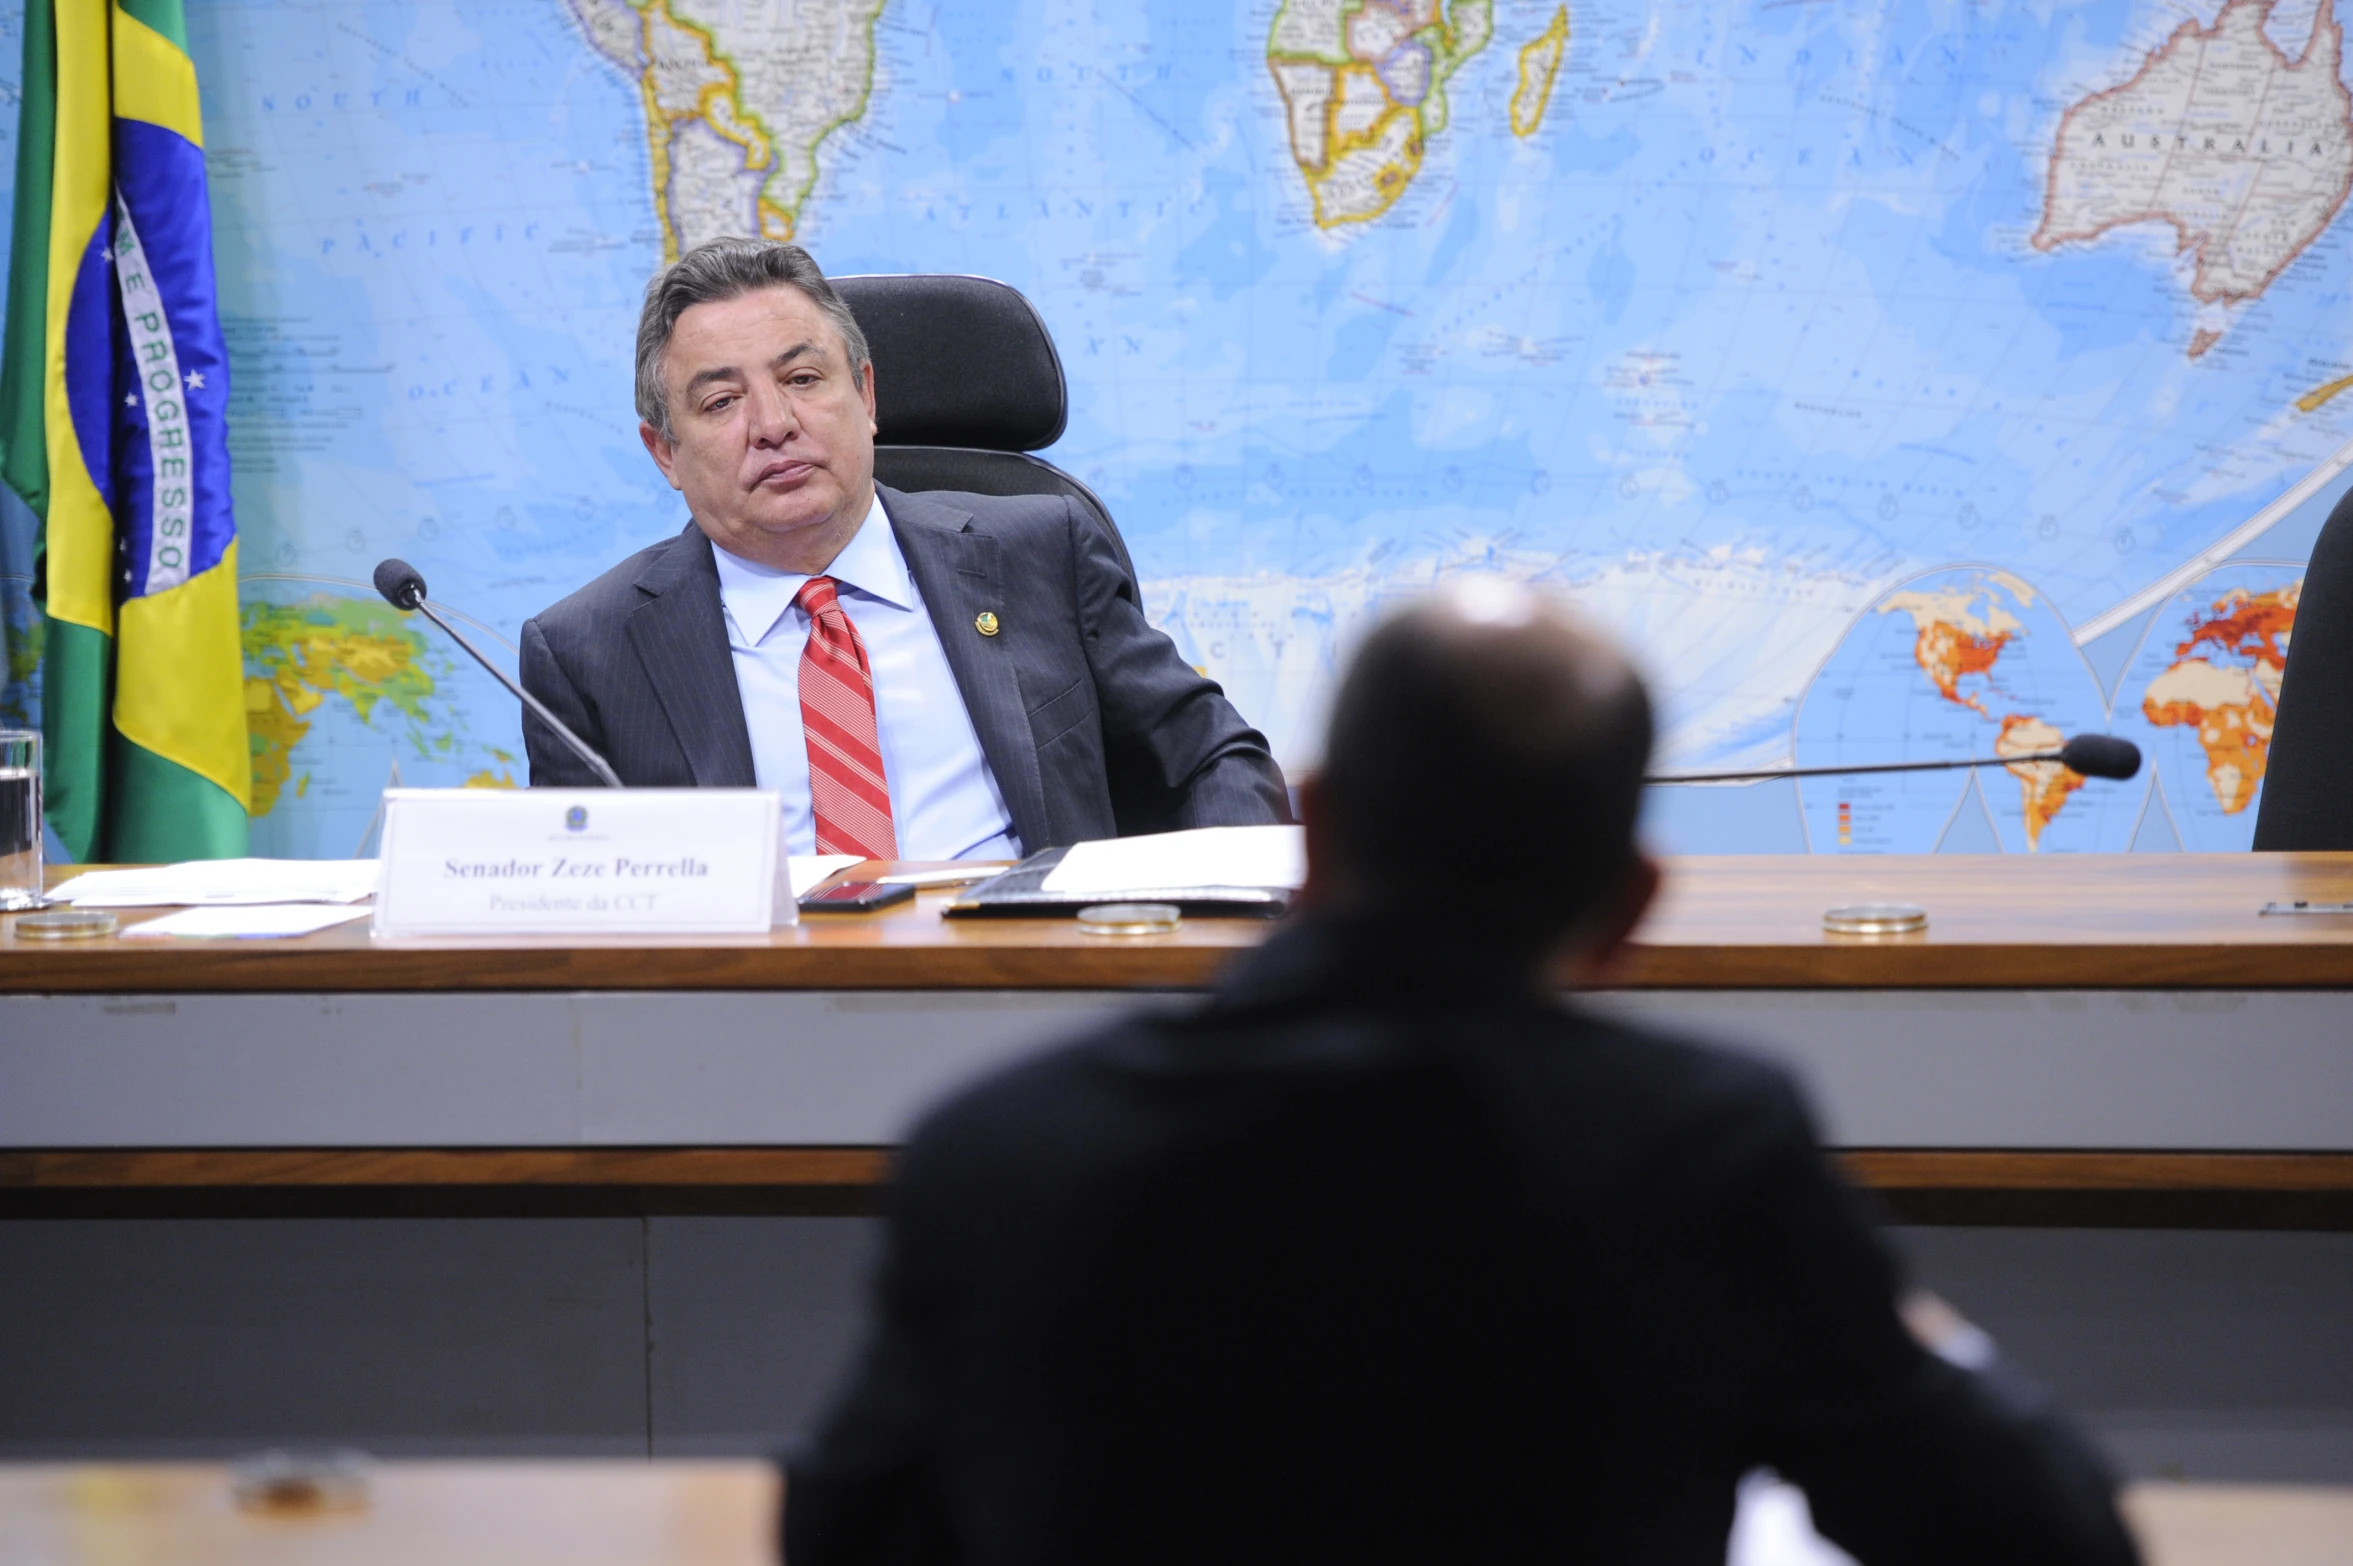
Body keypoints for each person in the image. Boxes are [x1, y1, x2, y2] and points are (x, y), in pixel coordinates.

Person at [784, 581, 2140, 1566]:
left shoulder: (999, 1145)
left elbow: (844, 1530)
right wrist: (1895, 1317)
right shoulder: (1705, 1150)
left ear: (1308, 831)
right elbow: (2044, 1535)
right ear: (1627, 905)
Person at [519, 240, 1286, 859]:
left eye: (803, 377)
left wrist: (1214, 935)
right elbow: (576, 904)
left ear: (867, 396)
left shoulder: (1041, 552)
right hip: (755, 1023)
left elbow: (1214, 759)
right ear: (665, 454)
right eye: (721, 402)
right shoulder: (590, 652)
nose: (774, 422)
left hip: (1030, 990)